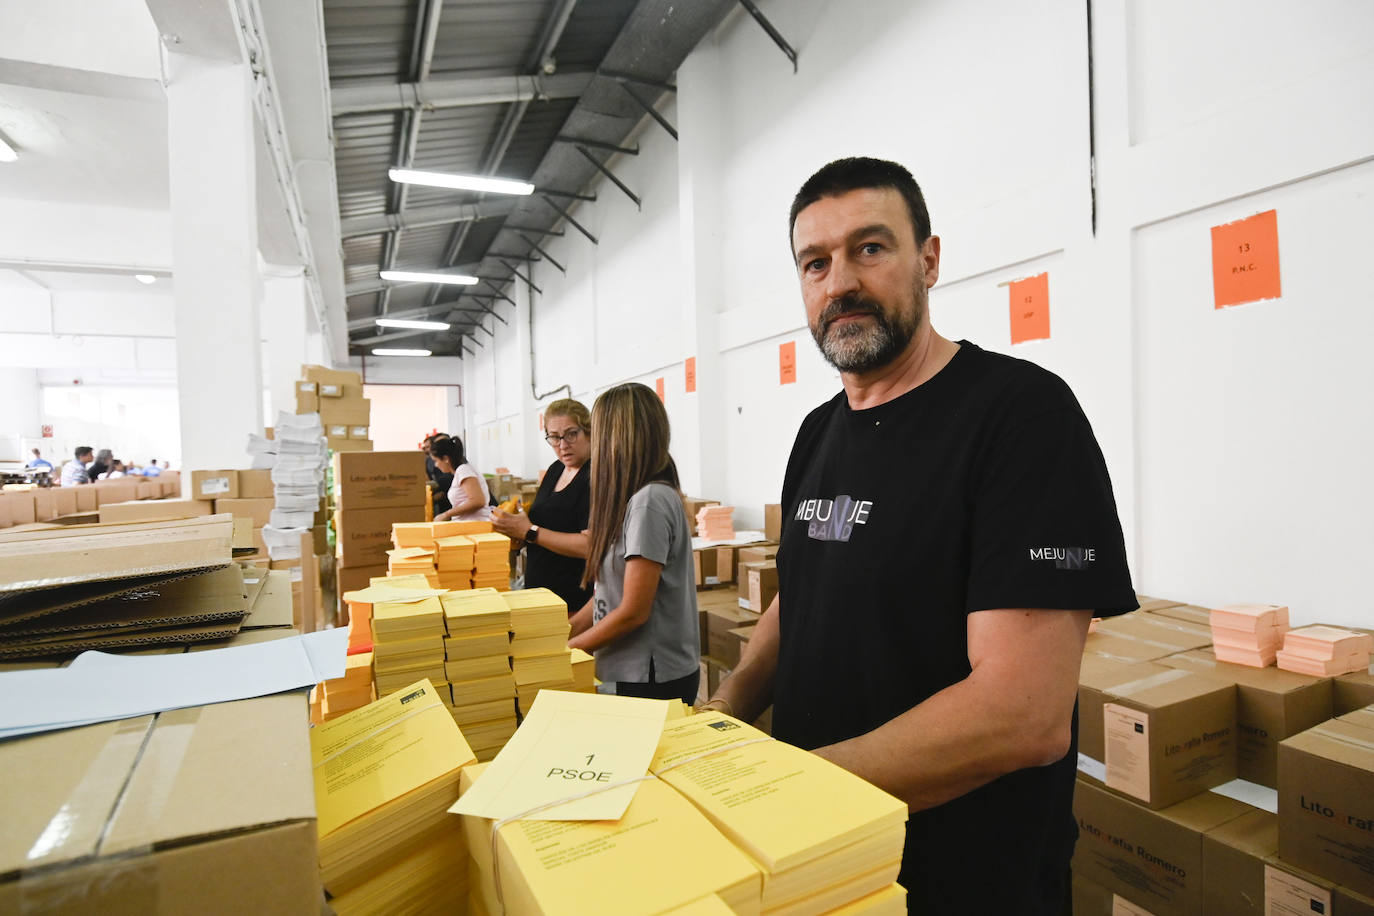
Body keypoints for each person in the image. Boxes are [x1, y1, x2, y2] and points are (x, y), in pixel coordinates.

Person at [701, 157, 1135, 913]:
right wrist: (727, 709)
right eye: (816, 262)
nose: (840, 282)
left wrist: (785, 785)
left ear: (928, 260)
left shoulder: (1022, 417)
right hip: (822, 863)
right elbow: (802, 597)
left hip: (959, 877)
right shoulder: (816, 433)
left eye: (870, 248)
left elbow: (1023, 715)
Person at [567, 383, 700, 703]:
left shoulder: (649, 502)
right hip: (628, 670)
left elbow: (633, 612)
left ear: (614, 438)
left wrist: (568, 651)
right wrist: (557, 632)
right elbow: (608, 596)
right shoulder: (635, 499)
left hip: (650, 677)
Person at [491, 399, 592, 613]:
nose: (562, 445)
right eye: (554, 437)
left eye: (571, 434)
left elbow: (589, 546)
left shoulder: (594, 476)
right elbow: (547, 524)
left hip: (572, 601)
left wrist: (529, 532)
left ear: (589, 432)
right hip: (539, 593)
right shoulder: (556, 469)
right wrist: (517, 533)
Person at [429, 436, 491, 522]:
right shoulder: (461, 471)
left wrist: (446, 514)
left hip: (474, 524)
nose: (436, 465)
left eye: (436, 461)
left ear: (446, 458)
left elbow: (478, 501)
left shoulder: (463, 470)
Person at [424, 433, 454, 516]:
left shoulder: (461, 470)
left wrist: (446, 515)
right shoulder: (428, 461)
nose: (436, 465)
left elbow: (476, 501)